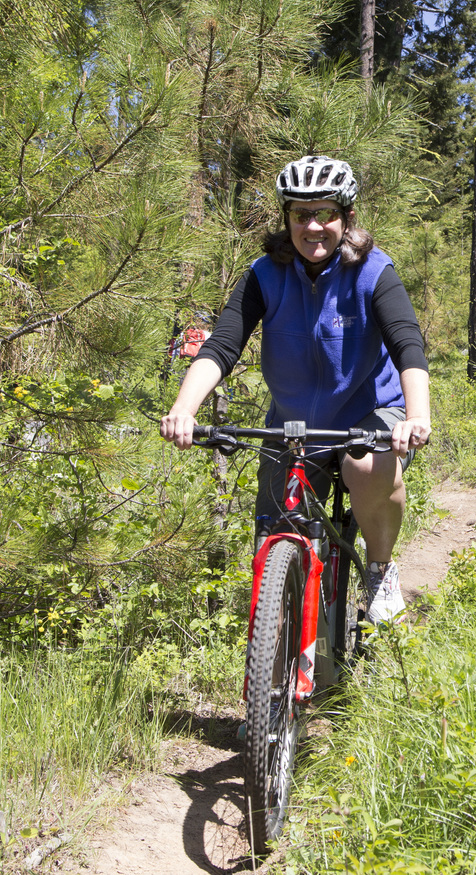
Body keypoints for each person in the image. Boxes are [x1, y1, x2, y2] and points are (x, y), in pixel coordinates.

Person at [159, 155, 432, 623]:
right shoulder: (264, 275)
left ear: (346, 218)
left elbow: (407, 343)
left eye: (325, 213)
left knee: (366, 466)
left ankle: (380, 570)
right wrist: (184, 408)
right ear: (287, 220)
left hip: (371, 412)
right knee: (277, 536)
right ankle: (286, 648)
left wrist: (417, 414)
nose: (313, 226)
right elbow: (222, 346)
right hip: (294, 424)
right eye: (301, 214)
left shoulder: (373, 272)